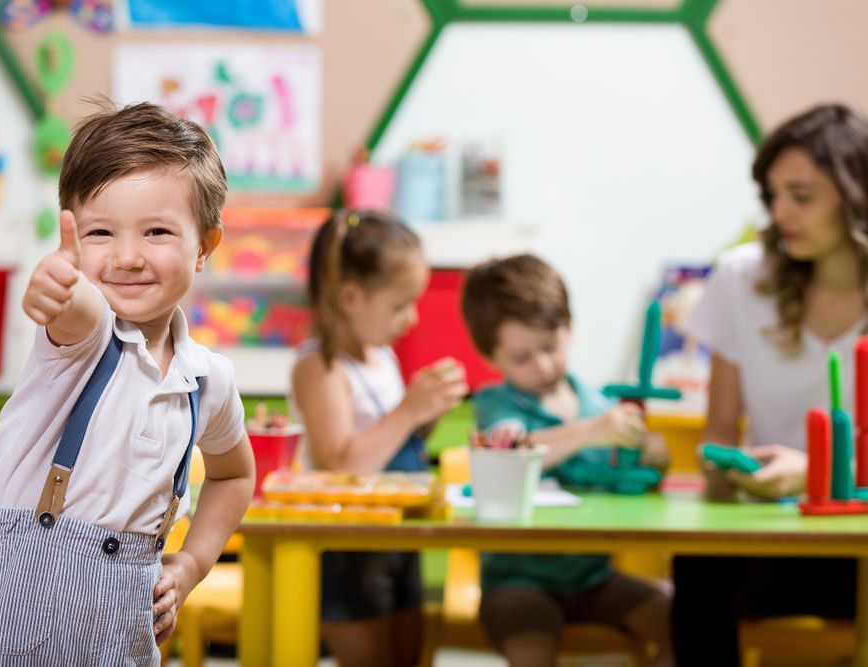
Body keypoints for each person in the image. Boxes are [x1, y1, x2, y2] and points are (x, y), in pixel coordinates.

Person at [0, 102, 255, 666]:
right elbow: (75, 307)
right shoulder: (85, 337)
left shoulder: (208, 380)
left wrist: (191, 564)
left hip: (126, 627)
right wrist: (56, 287)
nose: (125, 257)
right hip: (18, 622)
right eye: (99, 233)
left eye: (158, 232)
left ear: (205, 247)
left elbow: (235, 473)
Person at [672, 104, 868, 666]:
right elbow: (718, 432)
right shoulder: (741, 279)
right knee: (699, 562)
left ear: (855, 196)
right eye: (773, 194)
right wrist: (727, 467)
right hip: (773, 536)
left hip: (859, 542)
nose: (781, 212)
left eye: (801, 196)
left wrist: (816, 475)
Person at [460, 253, 674, 667]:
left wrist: (655, 461)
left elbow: (631, 485)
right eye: (521, 357)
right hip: (517, 582)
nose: (542, 365)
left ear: (569, 329)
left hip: (594, 578)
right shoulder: (497, 404)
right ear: (491, 359)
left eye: (549, 346)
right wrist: (590, 432)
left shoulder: (599, 404)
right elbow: (511, 449)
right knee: (532, 654)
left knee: (691, 625)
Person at [290, 209, 468, 667]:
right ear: (350, 296)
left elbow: (390, 441)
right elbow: (341, 464)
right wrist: (408, 410)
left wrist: (424, 414)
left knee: (410, 654)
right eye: (400, 304)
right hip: (352, 547)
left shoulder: (381, 356)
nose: (411, 320)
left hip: (398, 536)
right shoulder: (321, 367)